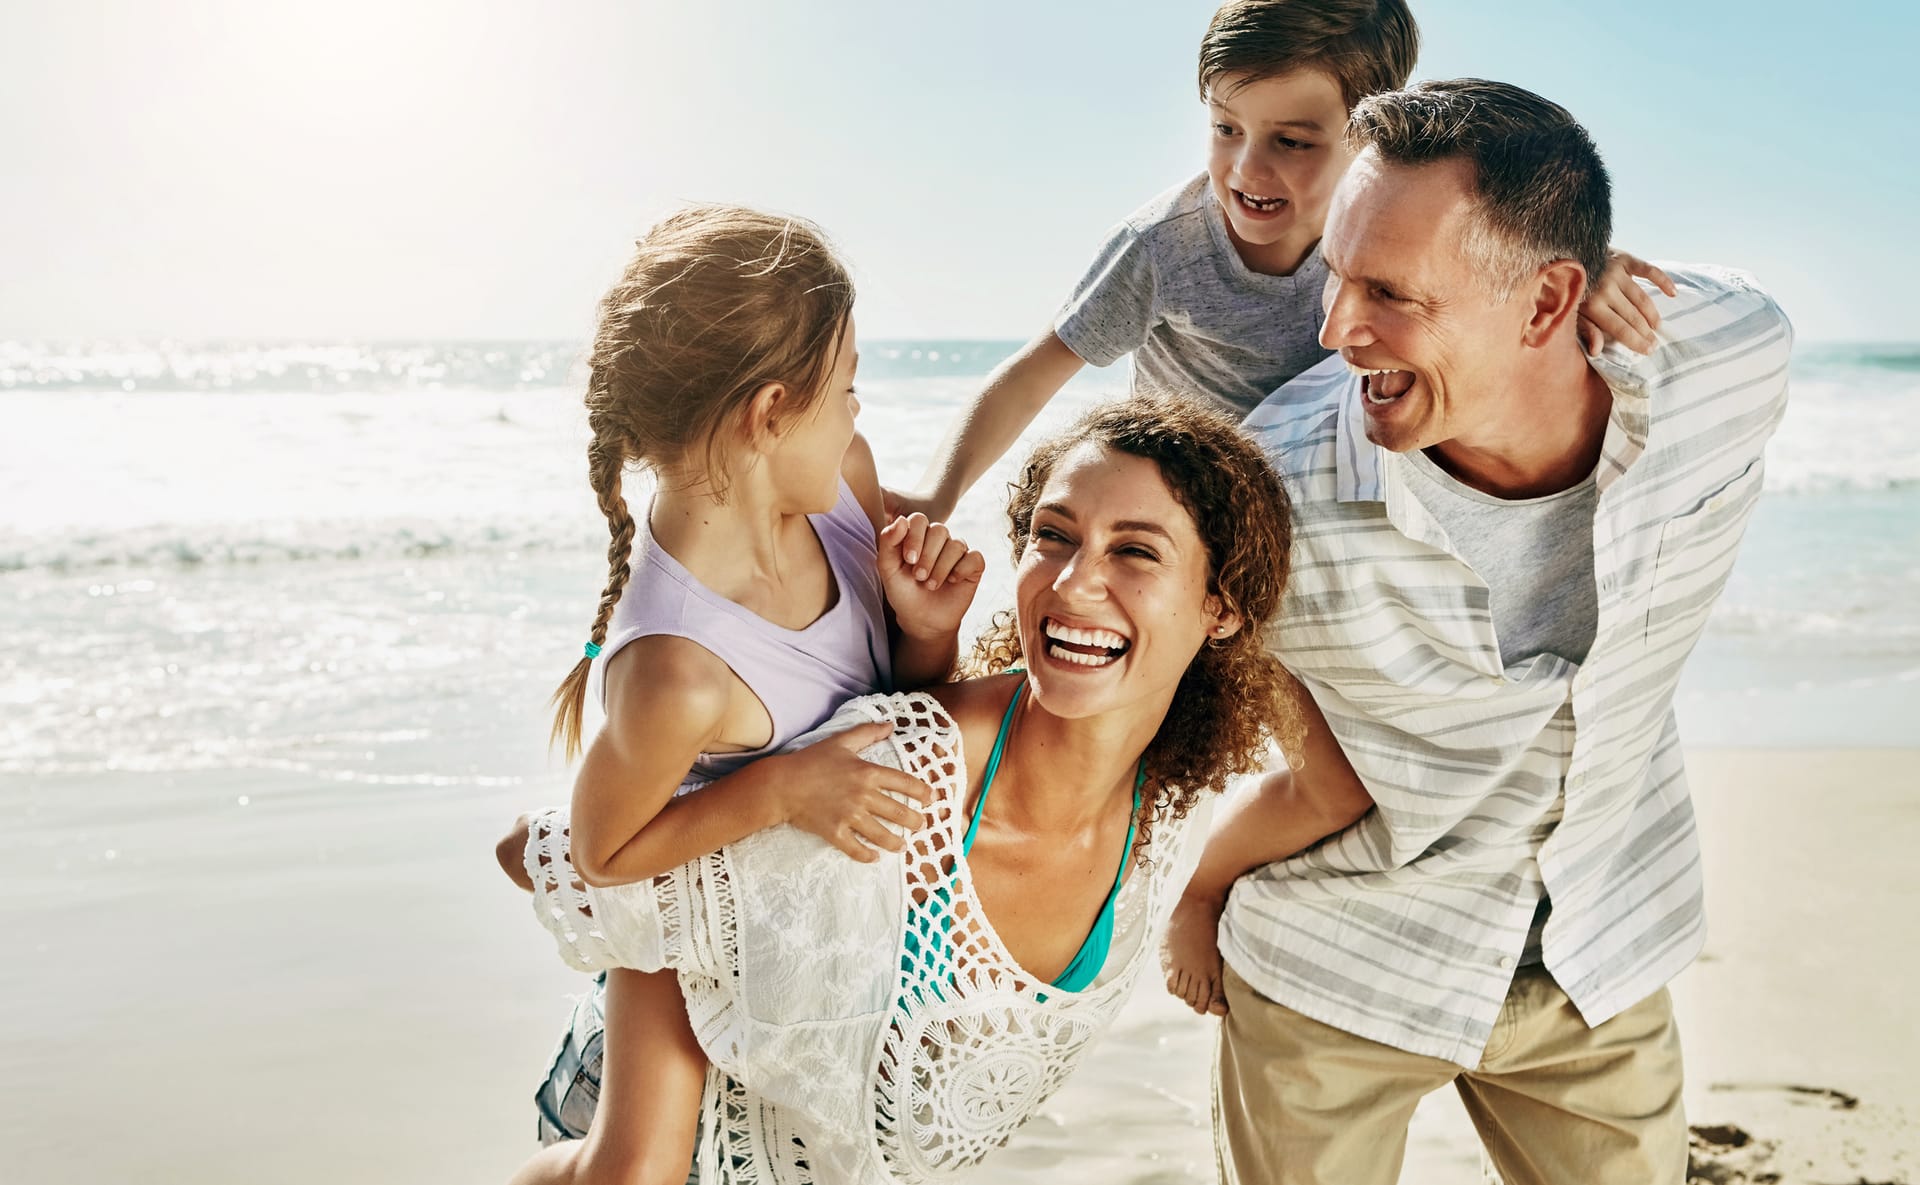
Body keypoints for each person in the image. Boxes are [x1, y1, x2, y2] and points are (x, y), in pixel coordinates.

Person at [1161, 79, 1793, 1185]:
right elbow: (1134, 688)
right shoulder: (1271, 493)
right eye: (1336, 274)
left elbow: (1740, 309)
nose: (1335, 329)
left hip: (1597, 951)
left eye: (1390, 293)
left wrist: (1596, 261)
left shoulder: (1718, 367)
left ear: (1551, 303)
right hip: (1338, 966)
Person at [511, 395, 1332, 1184]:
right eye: (1053, 536)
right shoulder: (895, 774)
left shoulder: (1173, 809)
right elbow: (550, 856)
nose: (1073, 584)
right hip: (675, 1129)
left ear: (1221, 606)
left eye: (1136, 552)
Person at [507, 204, 988, 1185]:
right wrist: (779, 789)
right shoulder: (678, 670)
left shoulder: (845, 489)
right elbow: (603, 853)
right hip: (698, 952)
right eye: (845, 390)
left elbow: (896, 708)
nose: (856, 413)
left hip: (814, 955)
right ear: (769, 413)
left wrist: (927, 628)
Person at [890, 0, 1671, 523]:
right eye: (1225, 128)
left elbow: (1499, 233)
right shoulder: (1163, 247)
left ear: (1373, 133)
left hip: (1333, 507)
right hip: (1193, 507)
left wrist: (1586, 263)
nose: (1247, 170)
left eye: (1292, 141)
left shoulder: (1398, 233)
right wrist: (937, 495)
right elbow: (1033, 373)